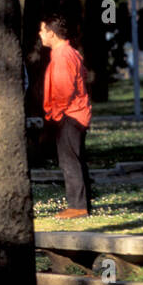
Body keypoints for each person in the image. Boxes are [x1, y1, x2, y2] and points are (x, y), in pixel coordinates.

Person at [41, 13, 93, 218]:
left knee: (69, 161)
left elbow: (64, 89)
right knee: (75, 159)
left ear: (51, 34)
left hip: (70, 115)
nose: (40, 34)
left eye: (42, 30)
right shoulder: (69, 52)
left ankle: (78, 207)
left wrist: (55, 114)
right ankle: (82, 203)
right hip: (76, 113)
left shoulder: (62, 55)